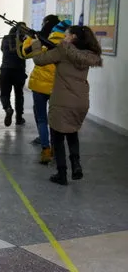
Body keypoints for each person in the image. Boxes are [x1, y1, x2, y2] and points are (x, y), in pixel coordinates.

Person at [32, 25, 102, 185]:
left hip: (62, 100)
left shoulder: (63, 51)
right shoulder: (88, 54)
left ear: (73, 38)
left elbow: (39, 60)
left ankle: (61, 174)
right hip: (81, 101)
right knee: (72, 132)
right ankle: (76, 165)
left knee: (57, 137)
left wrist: (36, 44)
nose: (64, 38)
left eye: (66, 35)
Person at [22, 16, 69, 164]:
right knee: (56, 121)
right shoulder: (68, 45)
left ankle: (46, 150)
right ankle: (56, 149)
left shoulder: (42, 41)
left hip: (39, 87)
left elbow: (25, 53)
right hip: (58, 88)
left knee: (42, 119)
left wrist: (30, 39)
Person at [0, 24, 28, 126]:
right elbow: (26, 54)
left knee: (4, 93)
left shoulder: (6, 39)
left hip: (5, 69)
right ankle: (19, 118)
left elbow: (2, 49)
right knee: (19, 94)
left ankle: (8, 108)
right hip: (19, 70)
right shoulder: (24, 40)